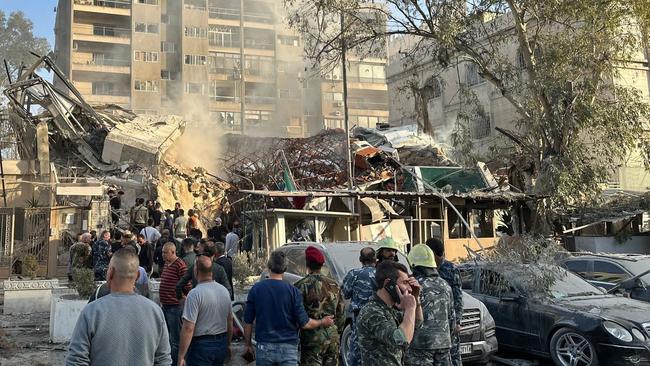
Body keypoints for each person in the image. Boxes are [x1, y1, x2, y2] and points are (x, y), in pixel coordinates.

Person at [66, 248, 172, 365]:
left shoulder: (92, 312)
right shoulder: (155, 312)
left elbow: (76, 360)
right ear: (137, 275)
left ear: (110, 272)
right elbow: (163, 360)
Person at [243, 250, 335, 366]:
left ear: (268, 266)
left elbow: (248, 321)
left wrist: (247, 345)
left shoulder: (256, 289)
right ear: (285, 268)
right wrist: (322, 321)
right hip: (288, 349)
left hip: (264, 347)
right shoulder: (293, 292)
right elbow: (305, 323)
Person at [356, 260, 423, 366]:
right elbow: (402, 340)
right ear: (388, 284)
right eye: (405, 283)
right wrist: (410, 309)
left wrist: (416, 299)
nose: (409, 289)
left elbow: (416, 324)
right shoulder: (372, 311)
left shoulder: (391, 308)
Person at [294, 246, 345, 366]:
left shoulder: (301, 286)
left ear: (307, 263)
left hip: (312, 339)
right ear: (322, 265)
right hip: (332, 338)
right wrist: (335, 332)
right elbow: (341, 315)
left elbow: (297, 316)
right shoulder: (334, 285)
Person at [178, 255, 232, 366]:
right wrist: (228, 344)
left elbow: (188, 328)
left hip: (201, 346)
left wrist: (181, 355)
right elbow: (229, 320)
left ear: (196, 270)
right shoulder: (224, 291)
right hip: (221, 342)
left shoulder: (194, 294)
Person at [406, 244, 454, 366]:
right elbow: (451, 317)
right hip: (444, 343)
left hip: (421, 345)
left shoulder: (415, 286)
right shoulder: (445, 285)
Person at [426, 238, 463, 366]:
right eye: (438, 256)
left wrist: (457, 322)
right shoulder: (423, 269)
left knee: (453, 357)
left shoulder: (451, 269)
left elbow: (458, 298)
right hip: (430, 325)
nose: (440, 259)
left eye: (442, 256)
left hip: (449, 323)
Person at [341, 247, 377, 366]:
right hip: (379, 316)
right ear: (375, 259)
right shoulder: (381, 274)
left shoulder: (354, 274)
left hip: (359, 317)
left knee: (357, 349)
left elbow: (345, 293)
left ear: (360, 259)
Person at [160, 242, 191, 366]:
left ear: (173, 252)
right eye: (162, 252)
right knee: (167, 337)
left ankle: (177, 362)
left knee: (176, 339)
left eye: (165, 252)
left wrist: (183, 298)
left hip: (175, 307)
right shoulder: (168, 264)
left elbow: (187, 285)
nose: (162, 255)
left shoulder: (180, 265)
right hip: (166, 306)